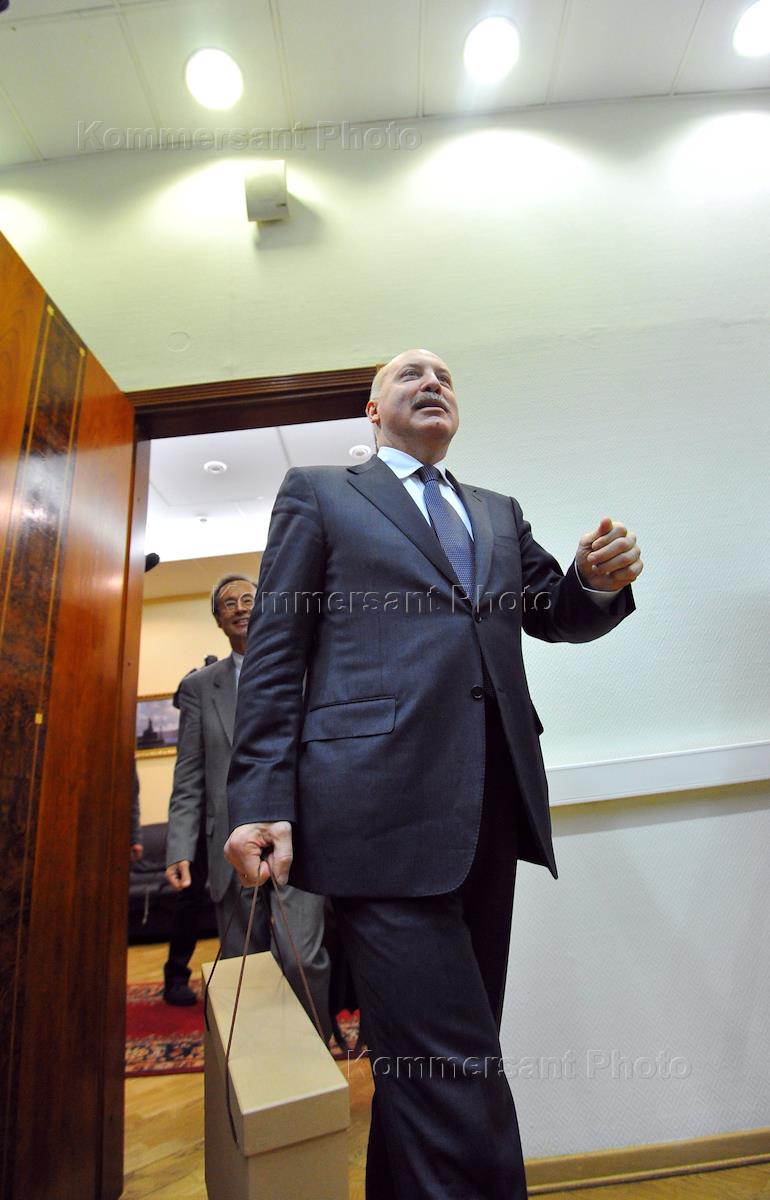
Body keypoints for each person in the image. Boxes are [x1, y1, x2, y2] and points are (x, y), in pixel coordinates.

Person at [225, 349, 643, 1199]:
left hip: (492, 814)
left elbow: (553, 613)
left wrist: (594, 583)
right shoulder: (321, 493)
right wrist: (261, 799)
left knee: (431, 1067)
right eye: (410, 373)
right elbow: (274, 654)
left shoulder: (496, 512)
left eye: (445, 376)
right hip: (374, 817)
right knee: (457, 1073)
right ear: (372, 410)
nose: (432, 382)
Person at [165, 574, 331, 1037]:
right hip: (230, 845)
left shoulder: (306, 666)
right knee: (246, 965)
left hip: (298, 838)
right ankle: (261, 1059)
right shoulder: (200, 687)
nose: (239, 607)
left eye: (248, 598)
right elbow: (189, 774)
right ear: (218, 620)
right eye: (227, 603)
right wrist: (180, 847)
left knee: (302, 958)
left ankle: (311, 1056)